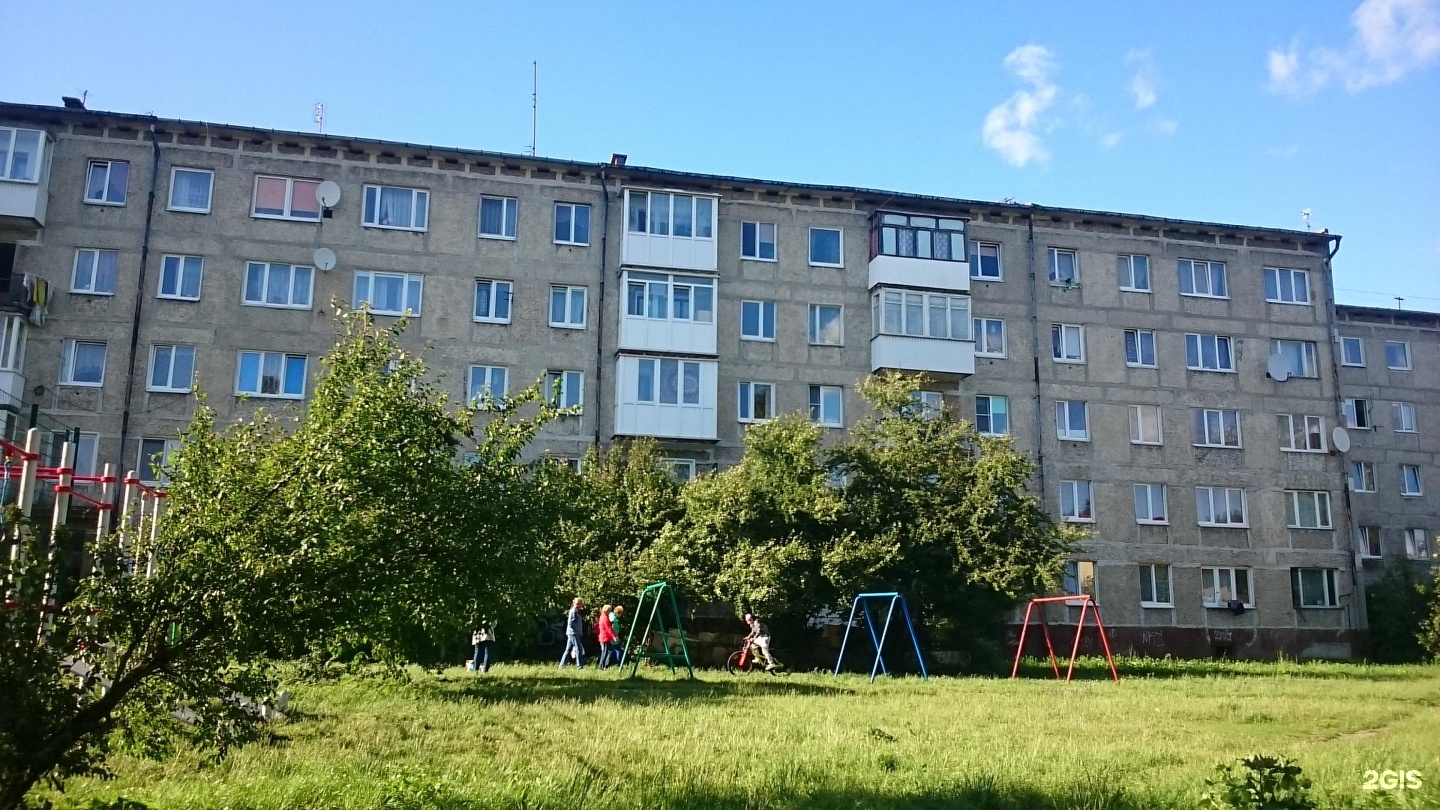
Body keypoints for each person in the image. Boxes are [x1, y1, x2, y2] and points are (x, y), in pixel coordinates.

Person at [559, 597, 586, 670]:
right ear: (578, 603)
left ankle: (562, 665)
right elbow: (571, 623)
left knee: (568, 649)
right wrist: (577, 630)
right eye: (581, 603)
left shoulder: (577, 611)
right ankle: (579, 666)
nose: (582, 605)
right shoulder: (573, 611)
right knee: (578, 649)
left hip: (574, 633)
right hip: (573, 633)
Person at [596, 603, 615, 670]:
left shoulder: (603, 616)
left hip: (606, 637)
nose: (610, 612)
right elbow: (608, 628)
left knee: (610, 651)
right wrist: (613, 636)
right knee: (605, 652)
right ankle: (601, 666)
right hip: (605, 638)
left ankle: (605, 665)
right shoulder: (604, 618)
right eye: (609, 610)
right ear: (607, 610)